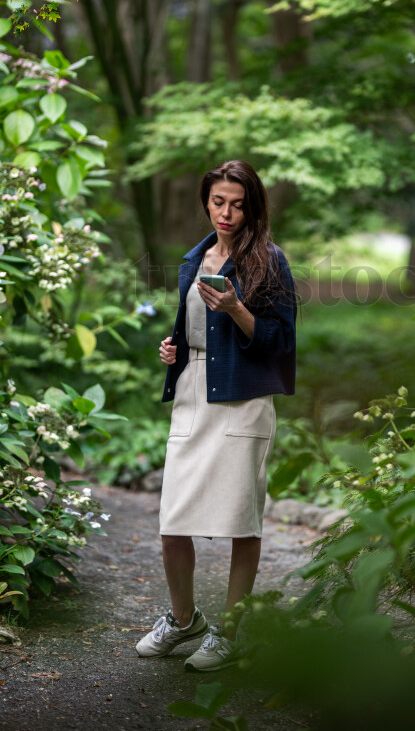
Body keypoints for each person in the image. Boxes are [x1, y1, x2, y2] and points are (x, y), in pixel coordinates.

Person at [136, 160, 296, 671]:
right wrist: (174, 349)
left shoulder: (269, 262)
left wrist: (236, 309)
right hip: (192, 393)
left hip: (242, 400)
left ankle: (231, 632)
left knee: (240, 523)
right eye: (218, 202)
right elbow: (192, 329)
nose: (226, 213)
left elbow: (281, 341)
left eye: (237, 204)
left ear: (253, 206)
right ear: (206, 201)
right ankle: (185, 621)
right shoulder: (195, 257)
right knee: (172, 521)